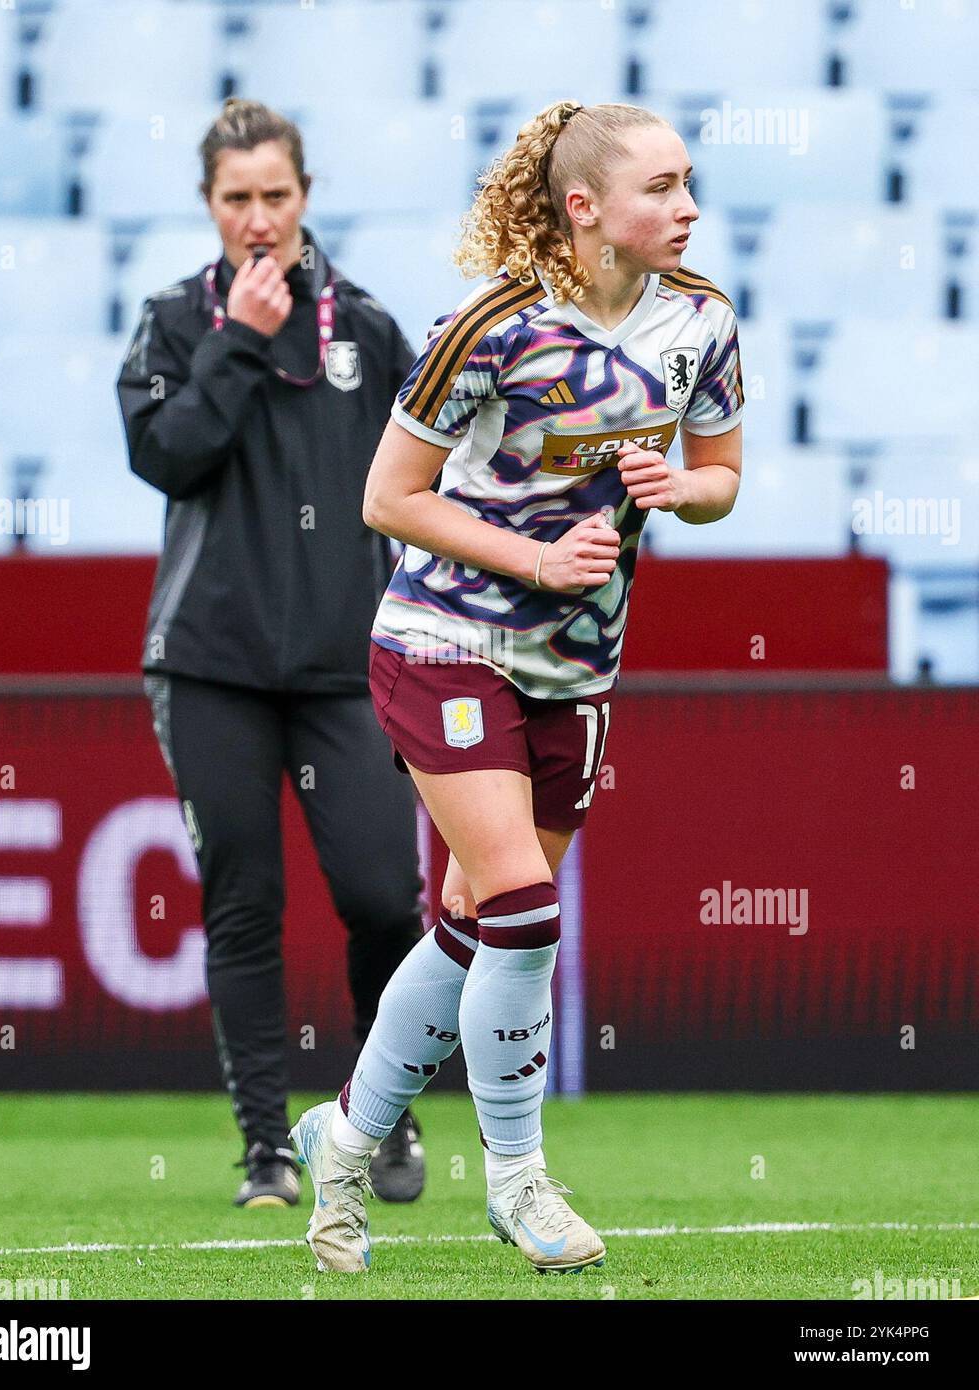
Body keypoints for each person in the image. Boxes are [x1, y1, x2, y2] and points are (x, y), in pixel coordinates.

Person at [289, 99, 744, 1273]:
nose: (686, 206)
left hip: (577, 664)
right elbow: (388, 499)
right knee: (525, 905)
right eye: (658, 187)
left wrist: (676, 490)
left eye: (687, 181)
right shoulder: (488, 327)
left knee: (473, 924)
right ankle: (516, 1177)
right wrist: (535, 556)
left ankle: (342, 1137)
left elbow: (723, 475)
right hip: (444, 638)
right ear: (585, 208)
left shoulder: (701, 322)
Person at [116, 98, 428, 1208]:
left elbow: (426, 482)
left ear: (306, 196)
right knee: (243, 900)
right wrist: (238, 343)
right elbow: (167, 458)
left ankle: (377, 1115)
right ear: (208, 204)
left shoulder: (372, 329)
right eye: (236, 199)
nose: (258, 219)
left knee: (386, 897)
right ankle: (265, 1150)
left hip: (348, 664)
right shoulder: (169, 322)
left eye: (275, 196)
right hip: (211, 664)